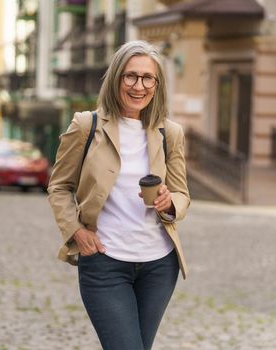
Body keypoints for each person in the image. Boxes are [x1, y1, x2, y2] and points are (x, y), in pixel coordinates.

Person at [47, 40, 190, 350]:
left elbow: (181, 193)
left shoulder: (170, 133)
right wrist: (75, 231)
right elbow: (59, 186)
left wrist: (169, 204)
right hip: (104, 264)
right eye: (130, 76)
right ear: (115, 79)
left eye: (147, 78)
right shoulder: (86, 126)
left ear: (157, 84)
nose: (139, 86)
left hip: (159, 266)